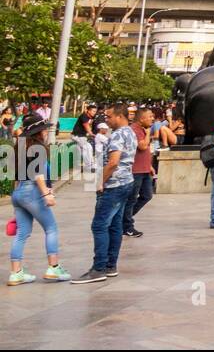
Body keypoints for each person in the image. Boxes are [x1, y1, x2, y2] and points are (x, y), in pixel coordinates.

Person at [72, 104, 138, 284]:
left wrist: (100, 182)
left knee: (99, 225)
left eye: (109, 117)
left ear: (119, 116)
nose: (106, 121)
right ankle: (110, 265)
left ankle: (98, 268)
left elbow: (113, 162)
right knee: (115, 225)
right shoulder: (130, 132)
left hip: (114, 184)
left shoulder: (117, 135)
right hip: (126, 182)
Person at [8, 112, 71, 284]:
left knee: (22, 233)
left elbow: (16, 177)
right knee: (51, 228)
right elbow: (38, 174)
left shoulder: (19, 148)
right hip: (33, 191)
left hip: (19, 192)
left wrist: (17, 201)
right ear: (38, 132)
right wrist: (46, 194)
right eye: (43, 130)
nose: (45, 132)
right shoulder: (38, 149)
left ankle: (16, 273)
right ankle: (54, 268)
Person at [121, 106, 156, 239]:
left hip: (144, 169)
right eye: (150, 116)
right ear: (141, 119)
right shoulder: (135, 130)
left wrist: (150, 165)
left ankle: (124, 219)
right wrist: (148, 134)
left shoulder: (142, 128)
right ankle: (127, 226)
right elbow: (142, 146)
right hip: (135, 170)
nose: (152, 119)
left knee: (147, 195)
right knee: (131, 199)